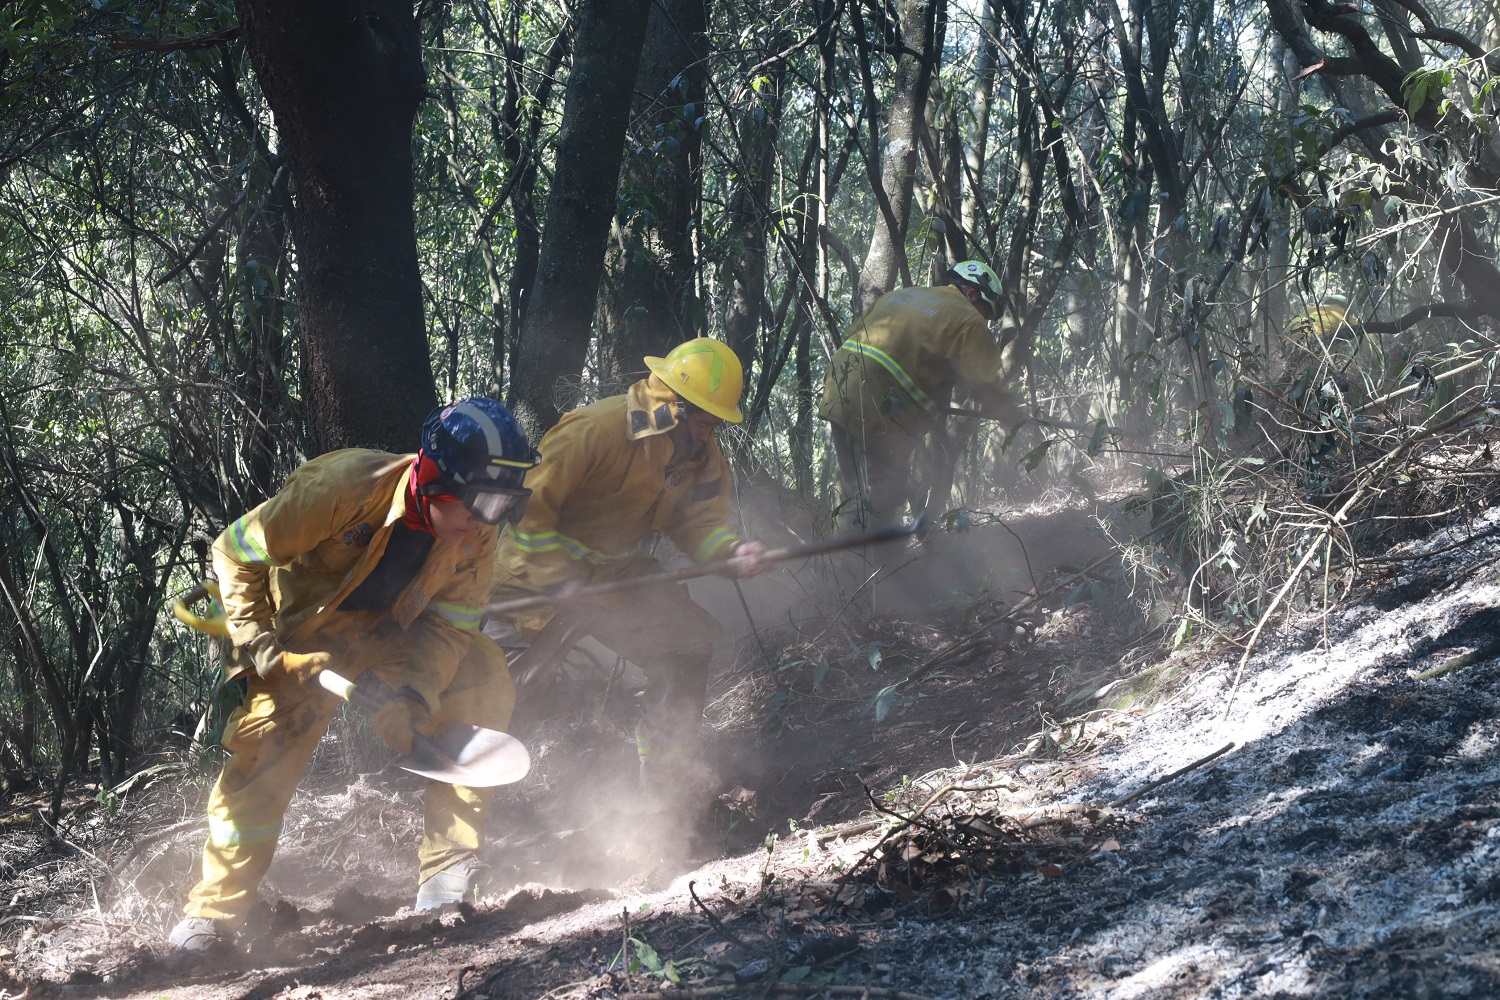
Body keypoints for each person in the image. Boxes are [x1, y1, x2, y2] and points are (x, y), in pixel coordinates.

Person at [168, 398, 540, 952]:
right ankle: (212, 916)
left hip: (395, 631)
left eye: (503, 506)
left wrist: (416, 695)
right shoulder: (339, 490)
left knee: (480, 673)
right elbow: (233, 552)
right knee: (265, 749)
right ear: (432, 481)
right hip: (301, 637)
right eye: (482, 503)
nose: (486, 522)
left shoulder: (476, 528)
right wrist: (263, 648)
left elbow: (453, 623)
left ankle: (446, 880)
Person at [483, 338, 770, 794]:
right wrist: (558, 578)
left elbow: (701, 522)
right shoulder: (594, 430)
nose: (707, 436)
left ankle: (666, 792)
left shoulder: (700, 457)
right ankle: (471, 801)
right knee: (499, 698)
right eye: (703, 424)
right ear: (673, 407)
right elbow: (529, 509)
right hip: (533, 580)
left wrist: (730, 552)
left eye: (714, 426)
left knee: (687, 644)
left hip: (615, 580)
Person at [818, 260, 1024, 528]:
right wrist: (1013, 418)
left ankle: (847, 549)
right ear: (973, 294)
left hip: (839, 391)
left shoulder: (901, 295)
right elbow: (986, 386)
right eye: (986, 311)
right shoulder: (968, 320)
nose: (983, 319)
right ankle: (875, 551)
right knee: (881, 497)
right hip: (880, 408)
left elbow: (852, 335)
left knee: (855, 489)